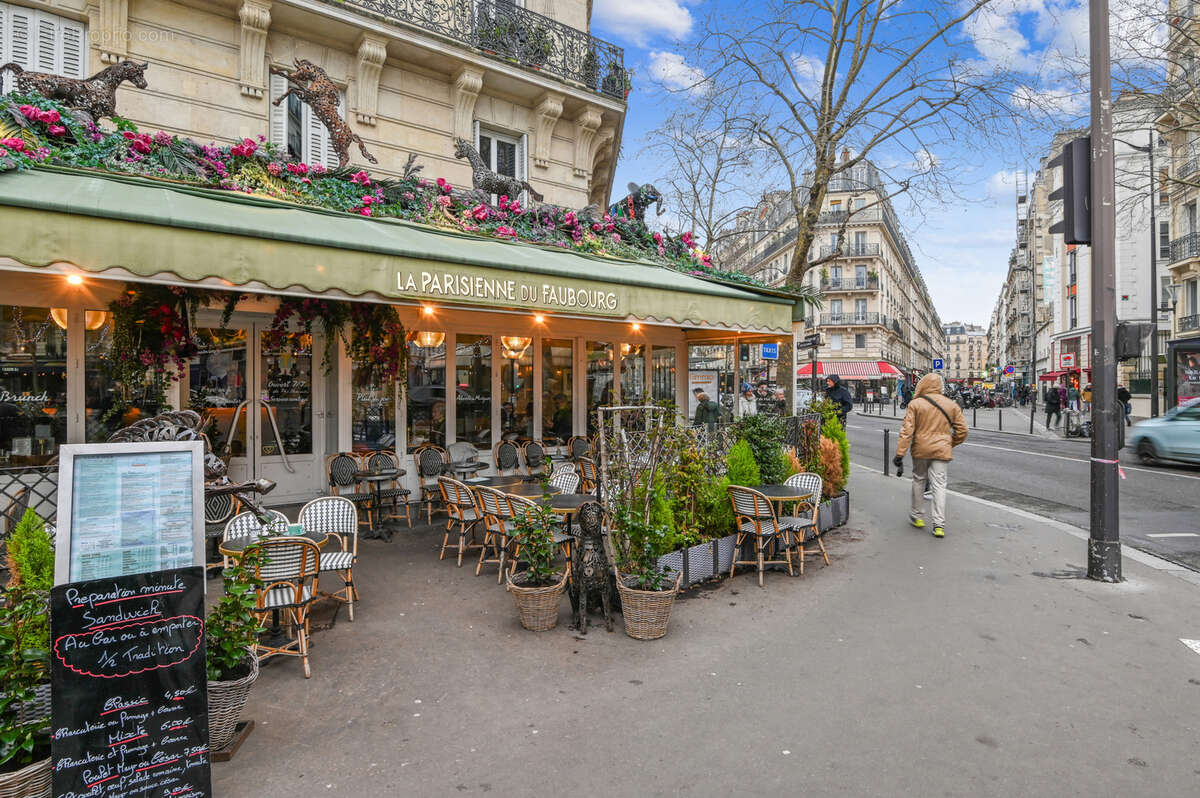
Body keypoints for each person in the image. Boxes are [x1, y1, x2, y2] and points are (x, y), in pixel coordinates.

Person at [893, 373, 968, 539]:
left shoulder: (915, 404)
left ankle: (918, 516)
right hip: (942, 450)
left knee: (919, 480)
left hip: (921, 449)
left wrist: (900, 453)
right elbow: (963, 431)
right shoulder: (951, 405)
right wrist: (949, 442)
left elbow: (907, 432)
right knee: (939, 485)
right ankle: (939, 525)